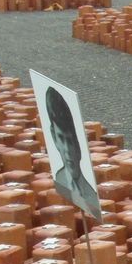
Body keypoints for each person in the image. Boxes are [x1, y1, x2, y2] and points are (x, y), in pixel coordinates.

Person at [44, 87, 101, 218]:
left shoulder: (91, 194)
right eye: (61, 139)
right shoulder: (60, 181)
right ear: (54, 137)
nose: (68, 150)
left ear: (78, 141)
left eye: (70, 140)